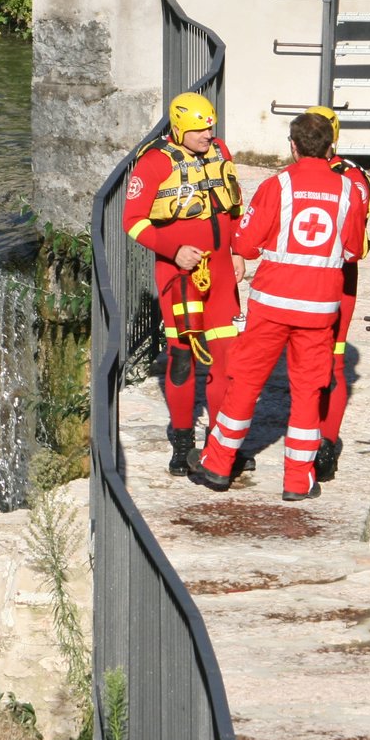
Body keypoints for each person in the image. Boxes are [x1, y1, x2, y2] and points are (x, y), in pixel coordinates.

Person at [188, 111, 367, 500]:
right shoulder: (350, 190)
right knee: (307, 391)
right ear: (331, 147)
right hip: (319, 308)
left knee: (246, 382)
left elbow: (247, 244)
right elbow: (353, 250)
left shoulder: (278, 185)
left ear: (292, 147)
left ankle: (217, 465)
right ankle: (297, 480)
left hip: (271, 304)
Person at [122, 91, 245, 476]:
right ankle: (181, 442)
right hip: (178, 276)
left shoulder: (220, 150)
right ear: (178, 129)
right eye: (199, 131)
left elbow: (235, 206)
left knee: (225, 361)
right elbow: (133, 221)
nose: (208, 135)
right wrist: (173, 250)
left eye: (210, 127)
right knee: (181, 360)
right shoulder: (154, 163)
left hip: (222, 274)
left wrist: (238, 250)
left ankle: (220, 444)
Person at [308, 106, 370, 482]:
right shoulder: (292, 176)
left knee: (332, 362)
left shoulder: (352, 178)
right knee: (305, 363)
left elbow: (355, 242)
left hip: (337, 280)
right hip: (301, 280)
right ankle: (307, 436)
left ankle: (326, 444)